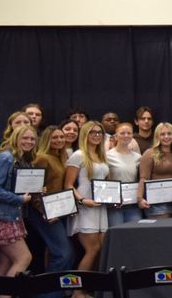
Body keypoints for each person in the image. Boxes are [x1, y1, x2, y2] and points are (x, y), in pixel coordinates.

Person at [0, 124, 36, 289]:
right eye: (25, 138)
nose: (29, 141)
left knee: (6, 261)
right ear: (15, 138)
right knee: (23, 258)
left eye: (32, 138)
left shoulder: (20, 159)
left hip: (10, 215)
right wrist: (18, 199)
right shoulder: (6, 158)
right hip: (2, 217)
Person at [64, 121, 110, 286]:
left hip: (100, 207)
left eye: (99, 132)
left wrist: (113, 199)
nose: (97, 135)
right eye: (92, 132)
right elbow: (68, 185)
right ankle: (76, 290)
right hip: (85, 206)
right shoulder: (78, 155)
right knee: (92, 250)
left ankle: (93, 289)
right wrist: (83, 200)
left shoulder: (101, 155)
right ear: (85, 134)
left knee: (100, 250)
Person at [29, 126, 76, 283]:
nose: (59, 140)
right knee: (63, 253)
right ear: (46, 139)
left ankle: (58, 291)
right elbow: (34, 188)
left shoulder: (60, 157)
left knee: (66, 254)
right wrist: (44, 211)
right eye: (54, 138)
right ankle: (46, 293)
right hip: (44, 213)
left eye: (61, 137)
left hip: (58, 210)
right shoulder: (42, 158)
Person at [137, 122, 172, 219]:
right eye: (162, 134)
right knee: (161, 232)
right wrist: (140, 198)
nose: (166, 137)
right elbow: (143, 177)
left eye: (169, 134)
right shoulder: (150, 153)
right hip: (156, 203)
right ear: (157, 136)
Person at [105, 122, 142, 227]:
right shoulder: (107, 156)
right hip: (115, 204)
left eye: (129, 133)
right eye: (122, 133)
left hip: (133, 203)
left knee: (135, 232)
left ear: (132, 136)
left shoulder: (138, 157)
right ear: (116, 136)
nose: (126, 136)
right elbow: (104, 180)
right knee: (117, 233)